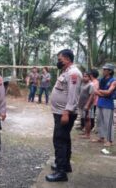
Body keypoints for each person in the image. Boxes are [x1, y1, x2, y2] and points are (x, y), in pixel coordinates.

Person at [45, 49, 82, 182]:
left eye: (60, 59)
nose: (58, 61)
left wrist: (66, 112)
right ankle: (65, 165)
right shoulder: (66, 72)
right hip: (60, 112)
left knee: (59, 141)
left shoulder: (73, 73)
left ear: (66, 59)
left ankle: (61, 173)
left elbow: (73, 96)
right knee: (64, 139)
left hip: (64, 113)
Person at [93, 63, 115, 147]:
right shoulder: (101, 80)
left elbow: (109, 92)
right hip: (100, 102)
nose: (103, 71)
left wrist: (100, 91)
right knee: (99, 121)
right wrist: (103, 92)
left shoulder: (113, 81)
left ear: (110, 71)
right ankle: (101, 137)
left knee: (108, 122)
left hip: (108, 104)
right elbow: (96, 91)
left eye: (105, 69)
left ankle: (110, 140)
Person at [78, 72, 94, 139]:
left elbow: (91, 96)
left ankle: (88, 134)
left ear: (89, 77)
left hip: (87, 105)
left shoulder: (91, 85)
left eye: (86, 76)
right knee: (84, 118)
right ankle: (85, 132)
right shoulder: (82, 84)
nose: (84, 77)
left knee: (88, 119)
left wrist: (87, 105)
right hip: (82, 104)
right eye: (83, 76)